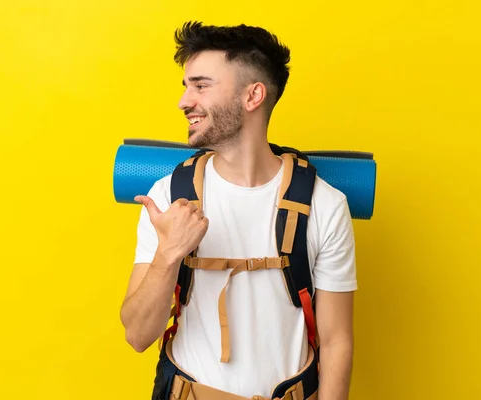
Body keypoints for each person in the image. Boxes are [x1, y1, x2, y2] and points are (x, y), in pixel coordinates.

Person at [120, 21, 357, 400]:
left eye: (200, 85)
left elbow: (336, 343)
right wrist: (168, 253)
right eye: (186, 87)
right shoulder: (167, 195)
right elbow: (137, 336)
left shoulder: (324, 205)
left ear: (253, 96)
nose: (184, 101)